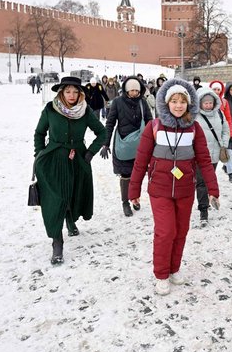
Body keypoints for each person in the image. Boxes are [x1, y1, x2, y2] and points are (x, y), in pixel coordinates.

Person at [128, 79, 220, 295]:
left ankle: (174, 268)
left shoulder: (194, 128)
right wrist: (133, 191)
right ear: (166, 103)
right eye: (174, 101)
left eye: (182, 102)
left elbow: (205, 161)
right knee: (166, 231)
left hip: (185, 190)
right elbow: (140, 161)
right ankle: (161, 273)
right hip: (159, 190)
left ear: (188, 104)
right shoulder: (154, 127)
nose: (178, 105)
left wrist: (213, 189)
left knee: (181, 231)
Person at [33, 76, 108, 265]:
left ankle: (70, 219)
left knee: (73, 193)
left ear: (80, 93)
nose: (72, 95)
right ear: (61, 92)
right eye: (68, 91)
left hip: (78, 160)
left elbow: (102, 132)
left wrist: (90, 152)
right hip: (53, 160)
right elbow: (39, 133)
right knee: (55, 199)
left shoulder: (85, 111)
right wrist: (39, 154)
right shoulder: (51, 109)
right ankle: (57, 242)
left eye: (75, 91)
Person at [101, 77, 152, 216]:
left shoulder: (142, 102)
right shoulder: (117, 102)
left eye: (137, 90)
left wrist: (153, 141)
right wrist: (105, 143)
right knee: (125, 175)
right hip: (123, 144)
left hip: (140, 145)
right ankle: (125, 202)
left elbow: (150, 123)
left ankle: (135, 198)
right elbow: (110, 123)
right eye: (131, 90)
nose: (134, 93)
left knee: (138, 174)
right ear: (126, 90)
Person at [194, 86, 230, 224]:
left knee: (209, 180)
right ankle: (203, 209)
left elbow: (226, 130)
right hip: (200, 156)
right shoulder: (195, 116)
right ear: (200, 103)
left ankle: (210, 197)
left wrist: (224, 144)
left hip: (215, 154)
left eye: (210, 103)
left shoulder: (219, 114)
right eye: (205, 103)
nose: (208, 105)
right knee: (201, 182)